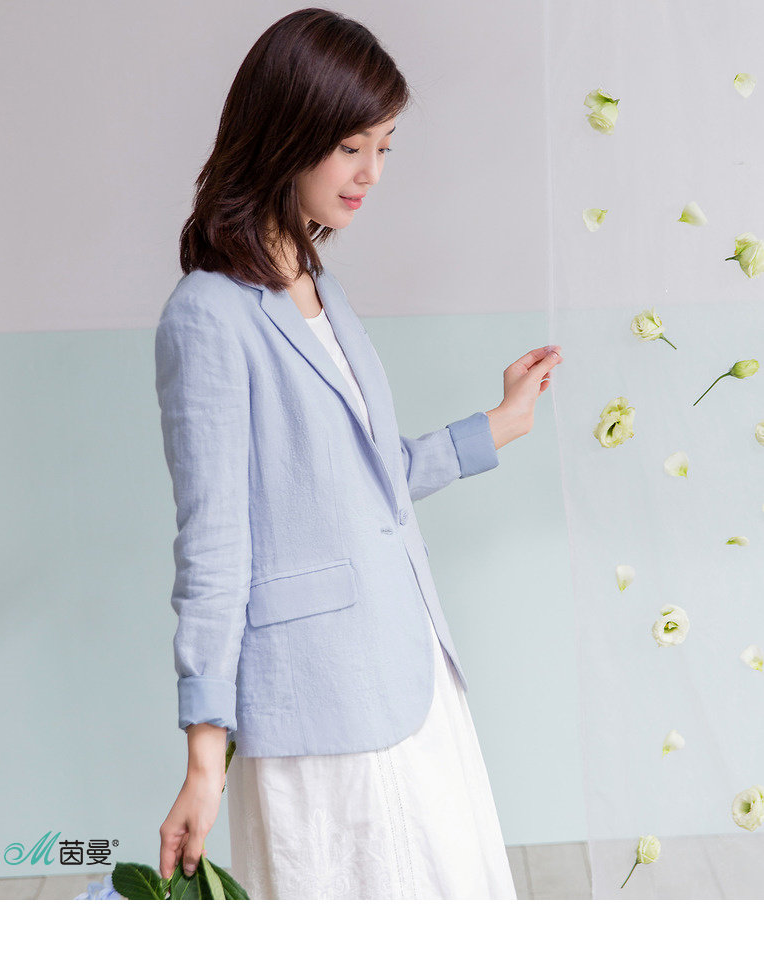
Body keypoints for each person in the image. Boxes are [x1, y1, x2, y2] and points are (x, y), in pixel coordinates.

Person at [156, 7, 562, 900]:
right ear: (285, 132)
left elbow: (357, 486)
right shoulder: (207, 316)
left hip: (411, 665)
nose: (372, 172)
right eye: (351, 147)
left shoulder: (315, 282)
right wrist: (204, 752)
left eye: (384, 146)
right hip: (321, 701)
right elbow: (214, 544)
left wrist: (498, 424)